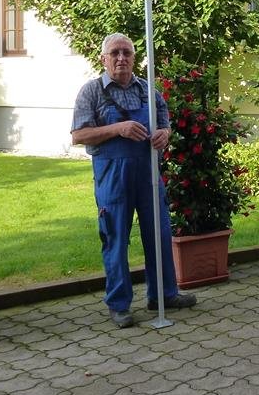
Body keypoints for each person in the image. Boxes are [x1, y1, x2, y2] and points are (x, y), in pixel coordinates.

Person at [71, 33, 196, 329]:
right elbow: (78, 135)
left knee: (159, 234)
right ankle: (119, 305)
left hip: (148, 174)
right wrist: (118, 128)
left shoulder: (149, 91)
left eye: (127, 53)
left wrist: (164, 135)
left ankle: (164, 295)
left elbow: (165, 125)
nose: (121, 58)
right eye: (115, 53)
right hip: (112, 176)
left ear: (134, 58)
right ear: (103, 59)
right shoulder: (91, 91)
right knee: (115, 238)